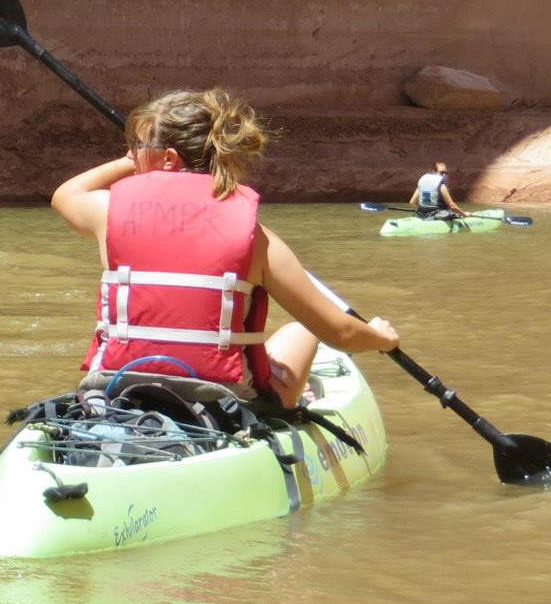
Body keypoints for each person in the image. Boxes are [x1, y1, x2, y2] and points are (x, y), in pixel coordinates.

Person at [50, 88, 400, 410]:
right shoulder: (257, 239)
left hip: (114, 386)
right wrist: (382, 338)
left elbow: (66, 196)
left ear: (170, 159)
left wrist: (136, 163)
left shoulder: (108, 213)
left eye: (136, 147)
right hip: (220, 401)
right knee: (300, 330)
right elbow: (342, 333)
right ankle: (291, 396)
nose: (131, 156)